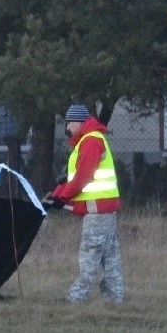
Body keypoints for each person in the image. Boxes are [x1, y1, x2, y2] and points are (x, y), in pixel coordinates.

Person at [43, 104, 124, 303]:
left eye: (69, 123)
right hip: (105, 209)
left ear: (79, 122)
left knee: (90, 255)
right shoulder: (91, 140)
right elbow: (72, 179)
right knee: (110, 259)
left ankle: (76, 298)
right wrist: (57, 196)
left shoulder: (90, 142)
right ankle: (114, 299)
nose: (68, 128)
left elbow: (82, 178)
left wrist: (61, 199)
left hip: (97, 211)